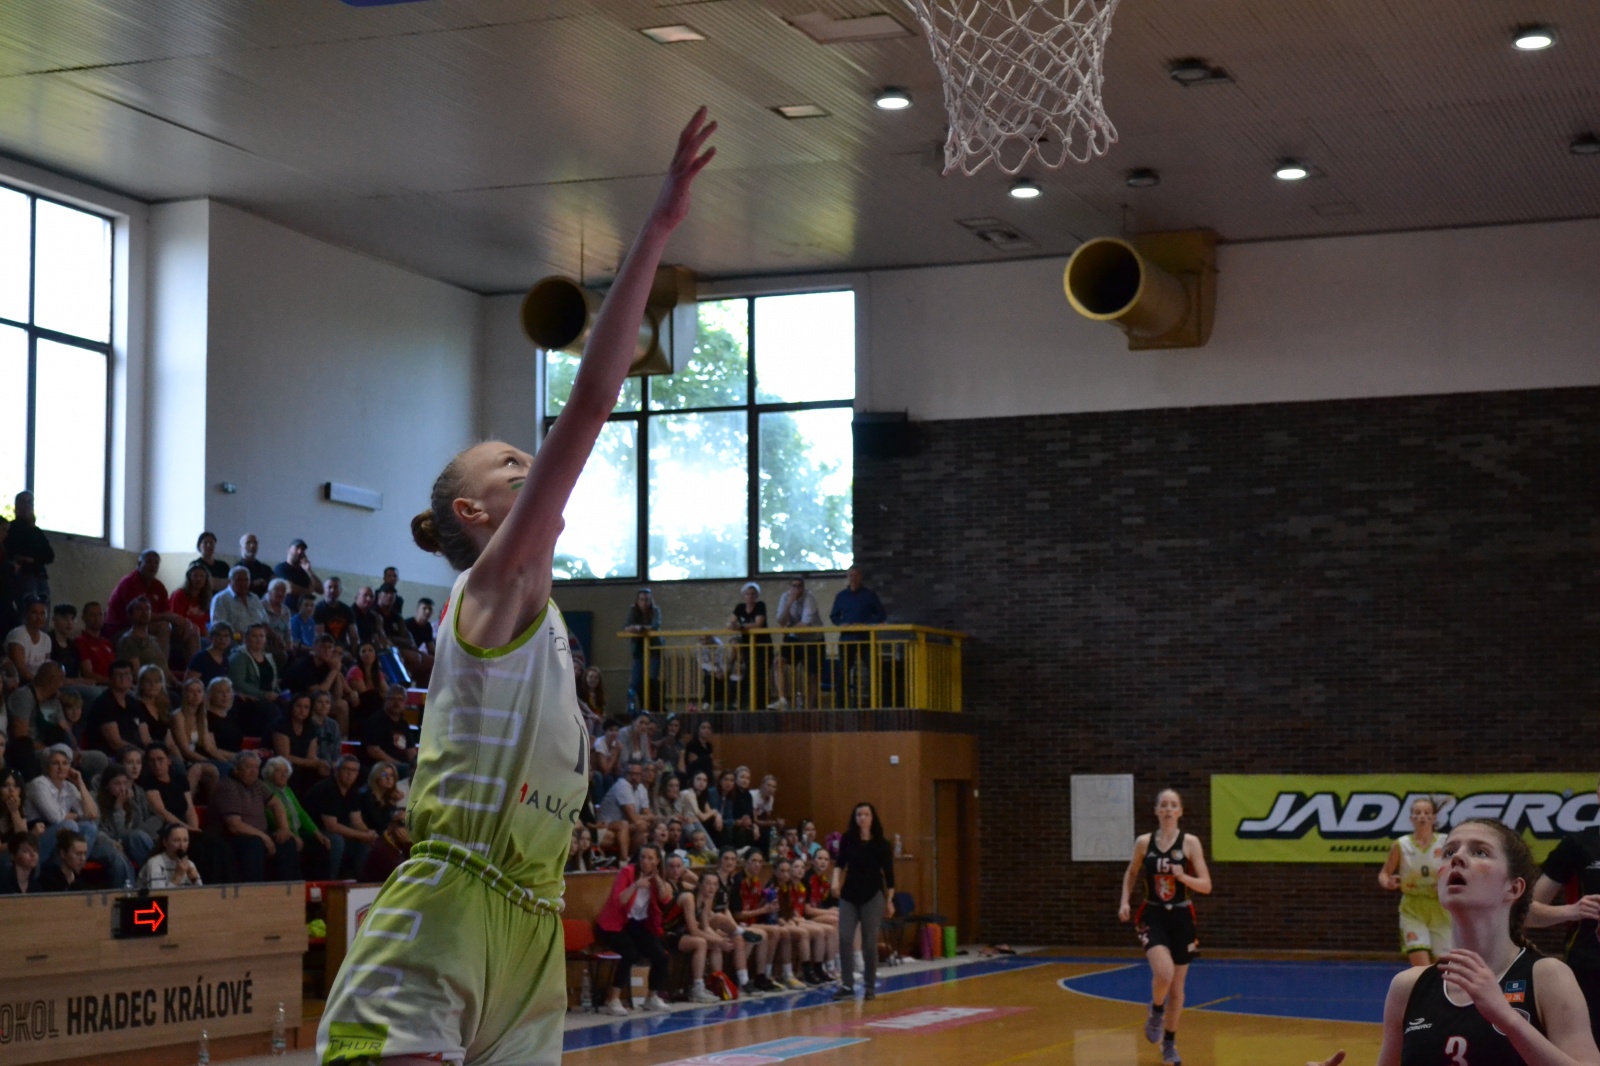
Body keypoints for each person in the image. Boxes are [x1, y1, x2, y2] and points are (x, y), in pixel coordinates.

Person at [317, 108, 715, 1066]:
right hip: (447, 909)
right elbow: (594, 399)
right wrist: (657, 229)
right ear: (474, 513)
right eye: (509, 465)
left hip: (532, 926)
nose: (529, 464)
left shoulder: (547, 627)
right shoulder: (491, 590)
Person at [1312, 818, 1600, 1066]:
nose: (1457, 858)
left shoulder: (1548, 977)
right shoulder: (1407, 987)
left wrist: (1507, 1019)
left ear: (1513, 888)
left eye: (1479, 852)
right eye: (1449, 852)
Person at [1118, 788, 1212, 1066]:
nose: (1169, 809)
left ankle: (1169, 1044)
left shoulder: (1191, 843)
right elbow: (1131, 872)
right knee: (1164, 972)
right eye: (1164, 805)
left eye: (1173, 805)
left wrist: (1183, 877)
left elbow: (1206, 885)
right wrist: (1124, 901)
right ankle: (1156, 1010)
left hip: (1182, 916)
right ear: (1157, 811)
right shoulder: (1144, 842)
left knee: (1177, 987)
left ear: (1180, 811)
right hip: (1153, 914)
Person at [1527, 773, 1600, 1047]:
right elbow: (1527, 912)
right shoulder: (1579, 844)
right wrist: (1572, 911)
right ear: (1598, 794)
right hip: (1590, 966)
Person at [594, 843, 675, 1015]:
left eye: (650, 858)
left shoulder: (658, 879)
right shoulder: (627, 872)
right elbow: (620, 900)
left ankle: (651, 998)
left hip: (637, 925)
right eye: (643, 857)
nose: (645, 861)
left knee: (661, 956)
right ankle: (613, 999)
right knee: (629, 953)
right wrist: (636, 885)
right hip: (613, 924)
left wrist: (657, 880)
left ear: (657, 861)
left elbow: (665, 898)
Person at [832, 801, 896, 1002]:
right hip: (849, 894)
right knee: (844, 938)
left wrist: (890, 900)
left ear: (872, 817)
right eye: (859, 814)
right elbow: (840, 863)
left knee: (869, 941)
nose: (862, 818)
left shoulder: (882, 844)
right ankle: (847, 985)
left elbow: (889, 876)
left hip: (872, 895)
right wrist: (835, 881)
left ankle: (869, 985)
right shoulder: (848, 839)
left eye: (866, 814)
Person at [1379, 796, 1451, 967]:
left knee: (1443, 968)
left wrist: (1449, 882)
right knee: (1421, 968)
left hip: (1441, 907)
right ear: (1411, 818)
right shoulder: (1401, 844)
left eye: (1426, 812)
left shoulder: (1446, 841)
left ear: (1434, 818)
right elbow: (1384, 873)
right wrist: (1387, 882)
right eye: (1417, 813)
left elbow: (1460, 870)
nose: (1422, 816)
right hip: (1412, 908)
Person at [210, 750, 301, 882]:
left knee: (286, 841)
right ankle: (253, 890)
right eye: (249, 767)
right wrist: (264, 837)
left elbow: (276, 803)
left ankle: (288, 889)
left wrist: (284, 828)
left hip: (257, 835)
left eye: (256, 768)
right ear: (236, 768)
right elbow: (235, 826)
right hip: (231, 838)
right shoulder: (228, 786)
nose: (253, 771)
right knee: (255, 844)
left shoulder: (257, 784)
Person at [829, 567, 886, 706]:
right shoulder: (841, 596)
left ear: (861, 577)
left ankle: (880, 702)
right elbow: (834, 616)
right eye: (851, 575)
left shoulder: (869, 595)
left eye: (856, 575)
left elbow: (881, 614)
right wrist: (841, 624)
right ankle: (840, 705)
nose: (853, 578)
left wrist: (865, 624)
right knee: (843, 672)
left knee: (874, 670)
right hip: (847, 638)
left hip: (865, 637)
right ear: (848, 577)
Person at [773, 577, 822, 710]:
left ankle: (810, 707)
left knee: (812, 674)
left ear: (803, 587)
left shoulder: (809, 598)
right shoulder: (785, 597)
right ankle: (782, 700)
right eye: (793, 586)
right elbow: (780, 621)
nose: (796, 589)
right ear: (789, 587)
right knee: (778, 662)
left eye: (799, 586)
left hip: (812, 639)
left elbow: (804, 625)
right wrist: (789, 604)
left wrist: (787, 629)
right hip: (793, 637)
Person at [4, 491, 53, 605]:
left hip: (40, 578)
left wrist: (33, 559)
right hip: (20, 577)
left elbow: (50, 555)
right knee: (27, 609)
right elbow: (8, 550)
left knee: (43, 610)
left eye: (29, 503)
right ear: (16, 505)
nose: (26, 506)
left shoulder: (37, 532)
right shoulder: (9, 529)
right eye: (23, 502)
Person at [728, 582, 769, 710]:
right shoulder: (740, 607)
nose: (750, 596)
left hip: (762, 646)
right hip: (748, 646)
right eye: (748, 594)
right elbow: (731, 624)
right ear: (744, 595)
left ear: (757, 596)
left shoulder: (760, 605)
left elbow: (758, 624)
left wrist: (741, 626)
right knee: (749, 674)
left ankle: (760, 706)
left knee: (760, 674)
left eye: (753, 594)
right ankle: (745, 704)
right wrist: (734, 626)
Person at [623, 588, 662, 712]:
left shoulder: (655, 610)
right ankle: (633, 708)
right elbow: (626, 626)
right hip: (638, 650)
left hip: (653, 648)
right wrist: (633, 628)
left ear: (651, 600)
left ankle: (652, 708)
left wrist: (640, 628)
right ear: (637, 601)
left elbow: (655, 626)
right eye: (641, 600)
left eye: (647, 600)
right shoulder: (632, 610)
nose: (644, 603)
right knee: (634, 681)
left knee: (651, 679)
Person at [138, 822, 203, 889]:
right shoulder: (155, 863)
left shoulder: (190, 864)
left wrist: (195, 880)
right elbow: (158, 894)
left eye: (185, 840)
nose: (182, 845)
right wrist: (178, 877)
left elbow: (201, 893)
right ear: (165, 843)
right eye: (176, 840)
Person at [5, 596, 53, 683]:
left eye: (42, 613)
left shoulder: (46, 638)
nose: (39, 618)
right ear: (26, 614)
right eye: (34, 613)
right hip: (22, 683)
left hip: (40, 682)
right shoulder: (18, 634)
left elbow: (46, 667)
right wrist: (42, 683)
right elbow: (20, 670)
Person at [211, 566, 268, 638]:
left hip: (259, 640)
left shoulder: (254, 598)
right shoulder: (221, 599)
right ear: (230, 581)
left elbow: (265, 622)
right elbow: (219, 629)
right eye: (239, 580)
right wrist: (240, 637)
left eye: (246, 580)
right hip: (235, 640)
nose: (243, 583)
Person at [272, 539, 323, 611]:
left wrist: (309, 571)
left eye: (302, 550)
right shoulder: (280, 568)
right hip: (287, 610)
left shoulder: (305, 571)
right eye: (297, 548)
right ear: (288, 550)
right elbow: (290, 588)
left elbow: (320, 590)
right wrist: (309, 592)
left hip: (304, 612)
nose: (300, 552)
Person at [38, 827, 89, 892]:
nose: (83, 858)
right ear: (63, 854)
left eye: (85, 854)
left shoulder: (83, 882)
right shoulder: (48, 880)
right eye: (78, 854)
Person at [169, 561, 215, 632]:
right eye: (195, 576)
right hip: (184, 632)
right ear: (189, 577)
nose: (198, 579)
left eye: (202, 576)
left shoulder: (207, 597)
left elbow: (208, 621)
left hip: (203, 633)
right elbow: (177, 619)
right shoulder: (179, 594)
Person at [236, 533, 276, 598]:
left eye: (255, 543)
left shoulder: (266, 569)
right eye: (248, 542)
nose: (252, 546)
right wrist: (252, 584)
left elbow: (275, 584)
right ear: (241, 548)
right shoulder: (236, 569)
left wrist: (269, 584)